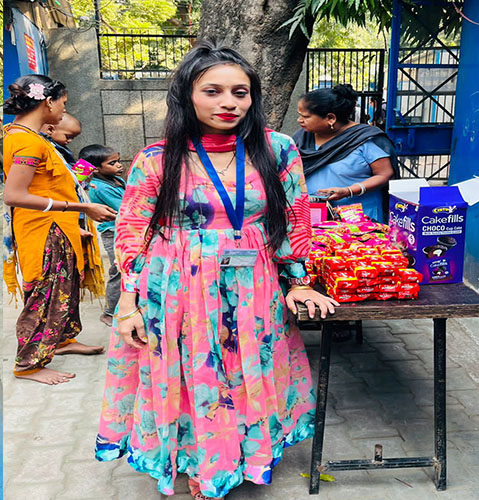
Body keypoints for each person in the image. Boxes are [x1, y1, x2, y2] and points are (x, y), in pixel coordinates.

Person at [95, 40, 337, 500]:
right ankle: (202, 464)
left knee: (247, 369)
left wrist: (300, 281)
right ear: (187, 95)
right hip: (178, 286)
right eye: (213, 91)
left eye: (240, 92)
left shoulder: (277, 148)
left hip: (253, 284)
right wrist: (128, 304)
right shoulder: (157, 158)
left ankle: (244, 454)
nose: (229, 102)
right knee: (194, 372)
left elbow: (294, 217)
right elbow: (133, 231)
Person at [2, 74, 117, 385]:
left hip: (58, 227)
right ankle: (28, 363)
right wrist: (82, 208)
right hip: (43, 230)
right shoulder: (26, 141)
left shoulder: (28, 135)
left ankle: (63, 339)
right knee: (46, 293)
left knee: (65, 289)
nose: (64, 110)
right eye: (63, 103)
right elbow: (14, 195)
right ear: (48, 102)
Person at [294, 84, 399, 222]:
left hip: (359, 219)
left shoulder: (365, 139)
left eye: (306, 116)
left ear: (331, 118)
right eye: (299, 115)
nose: (299, 120)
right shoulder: (301, 138)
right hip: (312, 217)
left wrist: (349, 191)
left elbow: (385, 174)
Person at [83, 144, 125, 327]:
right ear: (96, 169)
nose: (119, 165)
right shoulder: (99, 188)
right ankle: (109, 313)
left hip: (123, 229)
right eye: (112, 163)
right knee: (119, 271)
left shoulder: (116, 180)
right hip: (113, 233)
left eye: (118, 161)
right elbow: (123, 208)